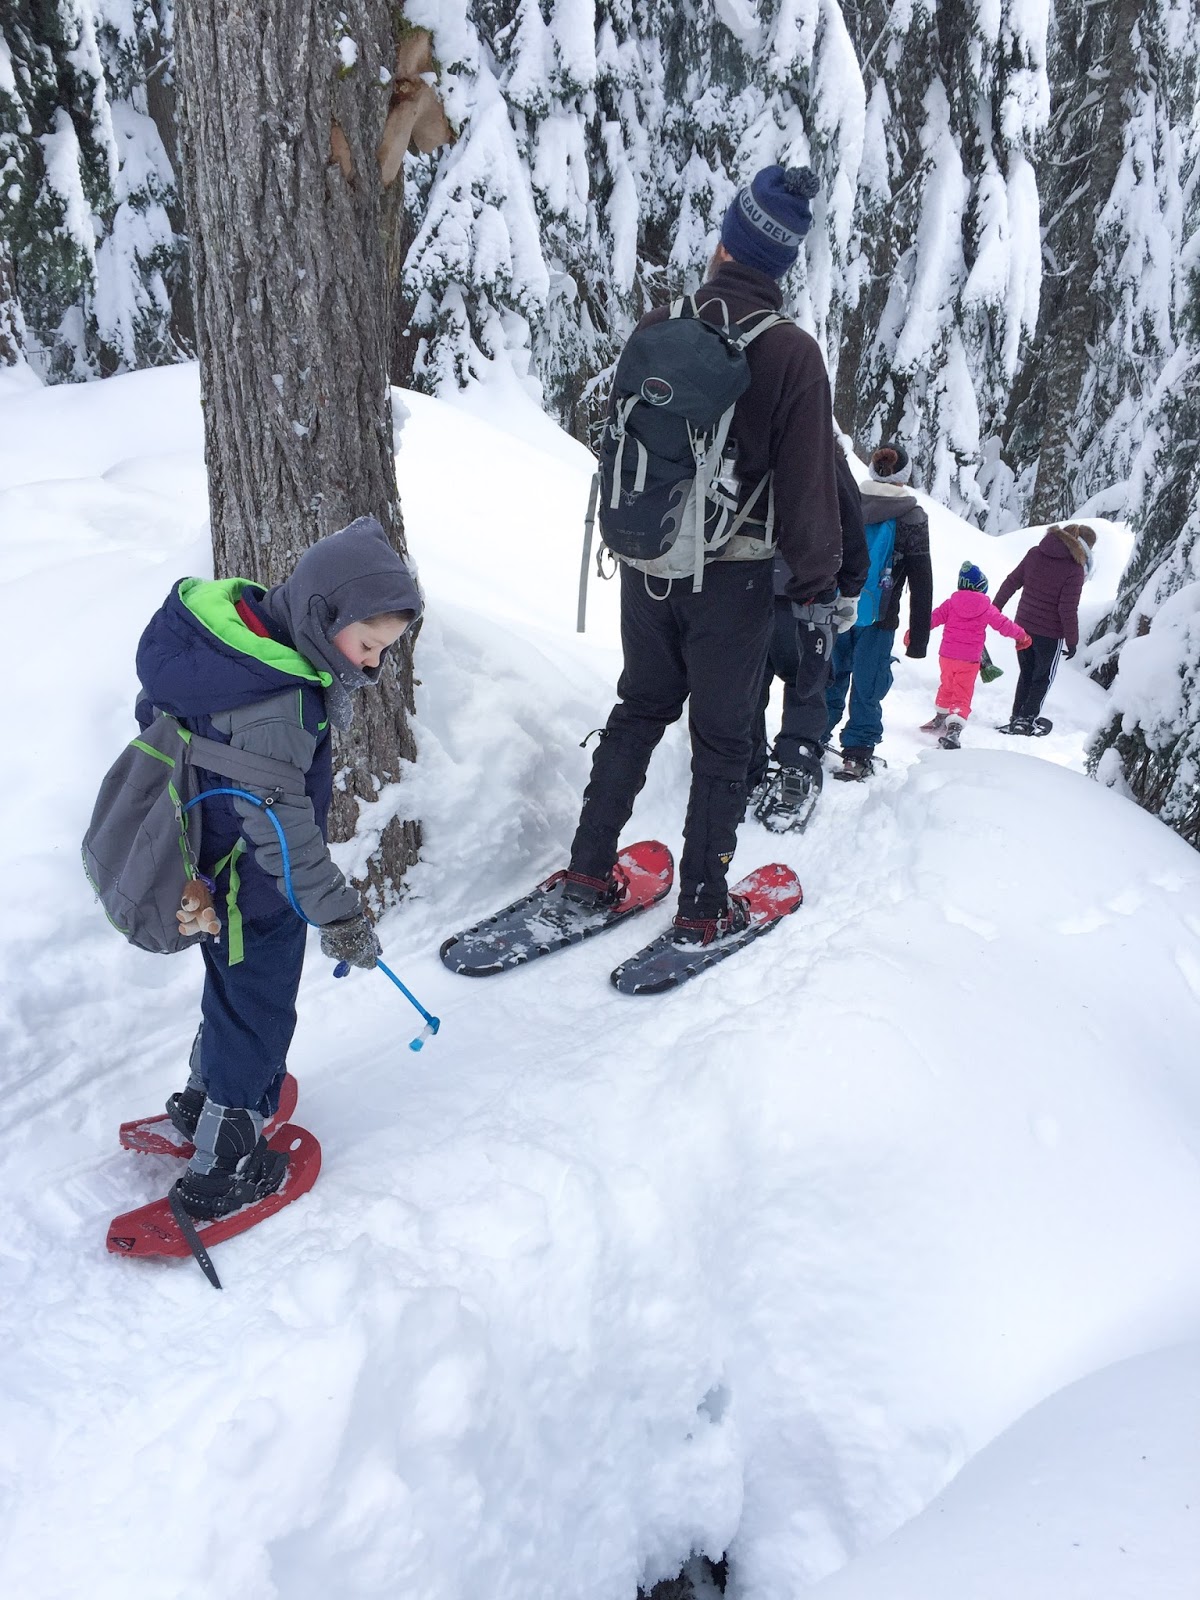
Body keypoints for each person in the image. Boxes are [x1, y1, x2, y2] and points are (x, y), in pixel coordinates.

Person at [563, 165, 842, 945]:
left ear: (724, 243)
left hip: (646, 563)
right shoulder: (790, 354)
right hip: (735, 576)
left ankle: (587, 869)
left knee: (640, 707)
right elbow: (810, 488)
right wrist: (817, 586)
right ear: (782, 265)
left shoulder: (658, 325)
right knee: (723, 743)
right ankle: (701, 906)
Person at [132, 517, 422, 1219]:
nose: (374, 664)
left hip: (215, 862)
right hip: (253, 883)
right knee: (258, 1009)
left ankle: (202, 1099)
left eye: (384, 650)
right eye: (368, 644)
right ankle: (225, 1157)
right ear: (325, 616)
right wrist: (340, 915)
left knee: (232, 993)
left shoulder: (237, 645)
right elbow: (285, 836)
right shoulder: (279, 703)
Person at [748, 446, 868, 827]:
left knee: (746, 687)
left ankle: (741, 767)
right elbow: (851, 523)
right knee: (807, 683)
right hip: (807, 593)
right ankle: (795, 764)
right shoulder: (822, 451)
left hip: (741, 592)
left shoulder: (742, 431)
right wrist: (850, 589)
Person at [824, 441, 933, 780]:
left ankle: (811, 738)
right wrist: (919, 638)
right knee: (868, 684)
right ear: (904, 475)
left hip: (838, 607)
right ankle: (856, 754)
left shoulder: (849, 500)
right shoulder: (911, 515)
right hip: (880, 616)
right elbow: (921, 579)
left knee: (830, 676)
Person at [992, 522, 1097, 735]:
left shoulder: (1034, 554)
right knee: (1042, 677)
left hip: (1021, 627)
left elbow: (1011, 582)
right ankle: (1026, 720)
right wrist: (1072, 641)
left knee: (1026, 673)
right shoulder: (1074, 570)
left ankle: (1017, 717)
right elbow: (1067, 608)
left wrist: (994, 609)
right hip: (1049, 634)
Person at [919, 562, 1031, 748]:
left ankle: (940, 718)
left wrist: (913, 634)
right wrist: (1022, 636)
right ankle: (953, 729)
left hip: (946, 656)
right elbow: (1004, 625)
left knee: (947, 685)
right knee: (962, 692)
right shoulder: (986, 607)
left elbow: (931, 619)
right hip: (969, 660)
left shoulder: (950, 603)